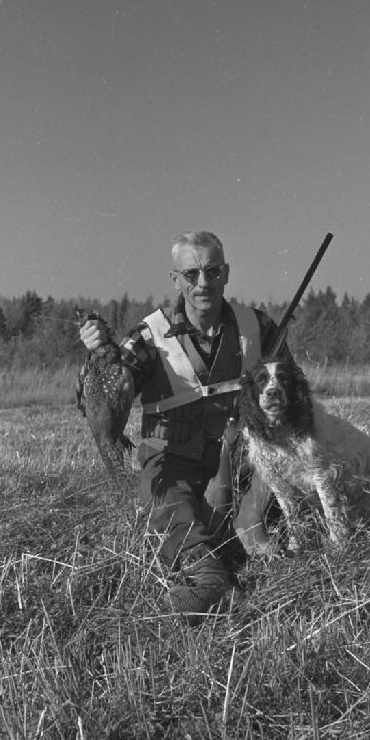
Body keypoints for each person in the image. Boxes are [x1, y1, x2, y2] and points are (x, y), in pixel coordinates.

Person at [79, 231, 292, 623]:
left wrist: (260, 492)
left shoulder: (258, 326)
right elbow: (106, 399)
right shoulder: (147, 336)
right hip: (174, 460)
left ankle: (255, 532)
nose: (203, 283)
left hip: (245, 459)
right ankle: (209, 579)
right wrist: (97, 353)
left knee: (284, 484)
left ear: (226, 273)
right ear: (175, 279)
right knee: (165, 501)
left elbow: (290, 402)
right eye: (191, 274)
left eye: (213, 272)